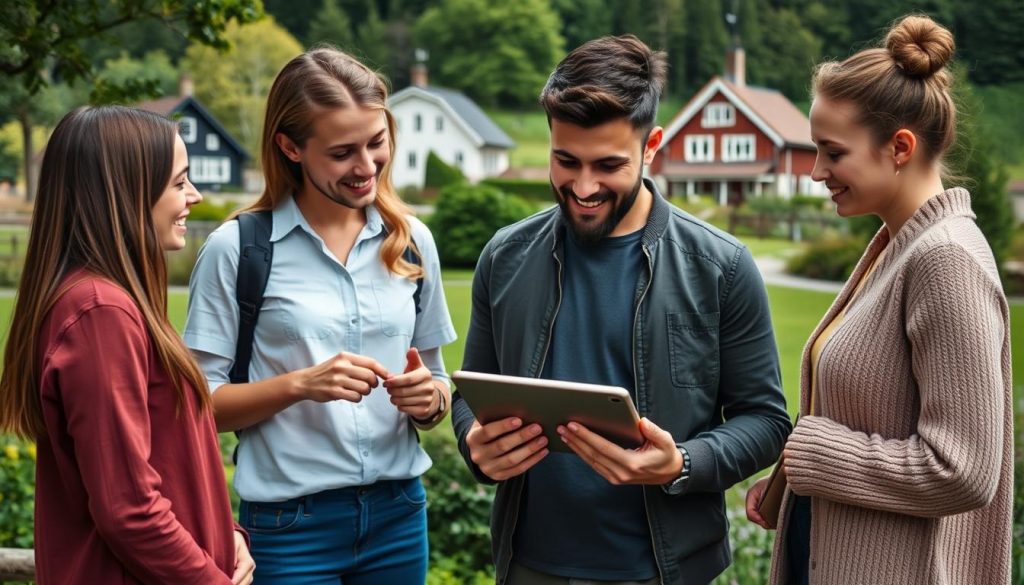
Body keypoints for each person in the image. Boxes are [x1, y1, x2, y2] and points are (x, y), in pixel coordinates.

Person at [451, 35, 791, 585]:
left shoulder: (722, 266)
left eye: (608, 165)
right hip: (528, 566)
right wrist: (475, 443)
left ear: (651, 145)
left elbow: (768, 421)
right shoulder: (505, 255)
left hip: (665, 571)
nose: (583, 187)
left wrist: (681, 462)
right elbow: (470, 393)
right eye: (566, 161)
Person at [744, 14, 1013, 585]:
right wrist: (789, 481)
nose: (816, 171)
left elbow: (963, 471)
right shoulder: (898, 245)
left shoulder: (946, 261)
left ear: (899, 147)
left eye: (832, 152)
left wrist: (814, 454)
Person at [183, 47, 457, 584]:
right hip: (288, 530)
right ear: (290, 147)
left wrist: (430, 400)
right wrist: (302, 384)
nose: (367, 166)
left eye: (377, 143)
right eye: (341, 152)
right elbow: (198, 409)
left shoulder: (413, 240)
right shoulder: (236, 249)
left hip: (399, 517)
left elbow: (438, 379)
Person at [0, 105, 254, 584]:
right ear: (127, 192)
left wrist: (226, 533)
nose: (194, 196)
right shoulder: (101, 314)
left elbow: (164, 467)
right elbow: (128, 509)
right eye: (179, 183)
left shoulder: (112, 303)